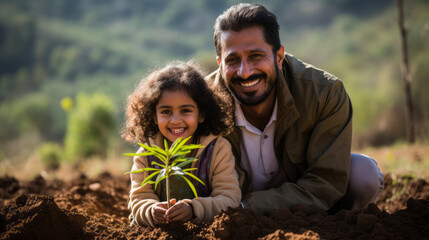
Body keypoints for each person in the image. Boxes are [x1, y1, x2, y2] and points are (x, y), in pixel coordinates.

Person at [207, 3, 384, 215]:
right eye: (232, 60)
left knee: (363, 174)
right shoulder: (202, 103)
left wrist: (245, 208)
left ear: (279, 57)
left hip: (280, 199)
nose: (245, 72)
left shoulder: (324, 93)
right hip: (233, 198)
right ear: (220, 64)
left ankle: (336, 225)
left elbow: (326, 182)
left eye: (255, 56)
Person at [122, 61, 241, 227]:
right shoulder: (146, 155)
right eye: (166, 112)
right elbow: (139, 199)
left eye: (186, 110)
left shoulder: (216, 149)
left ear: (201, 114)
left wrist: (194, 209)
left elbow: (229, 198)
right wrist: (151, 211)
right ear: (154, 116)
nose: (175, 120)